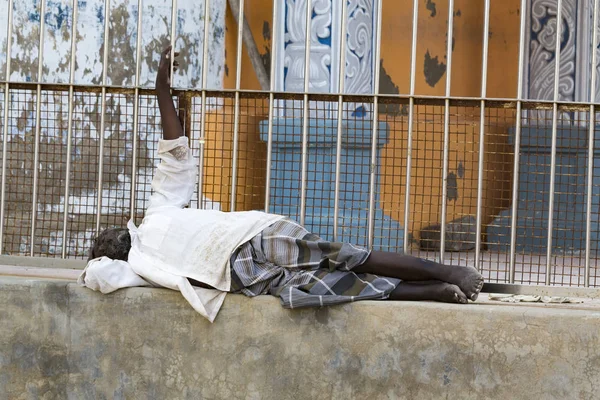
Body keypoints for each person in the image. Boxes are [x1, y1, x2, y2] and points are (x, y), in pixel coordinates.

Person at [78, 46, 484, 323]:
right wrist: (98, 264)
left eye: (105, 240)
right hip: (241, 277)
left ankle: (449, 270)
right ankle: (434, 289)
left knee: (345, 257)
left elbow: (176, 158)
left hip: (253, 236)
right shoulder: (137, 267)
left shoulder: (156, 215)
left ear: (123, 228)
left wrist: (162, 93)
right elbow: (99, 277)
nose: (107, 243)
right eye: (104, 247)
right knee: (322, 288)